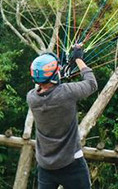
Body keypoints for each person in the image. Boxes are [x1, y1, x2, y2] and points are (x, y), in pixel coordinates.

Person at [28, 44, 98, 189]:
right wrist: (78, 59)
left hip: (46, 166)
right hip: (72, 164)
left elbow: (47, 89)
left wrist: (60, 72)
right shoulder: (67, 93)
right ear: (55, 75)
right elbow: (91, 83)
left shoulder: (32, 98)